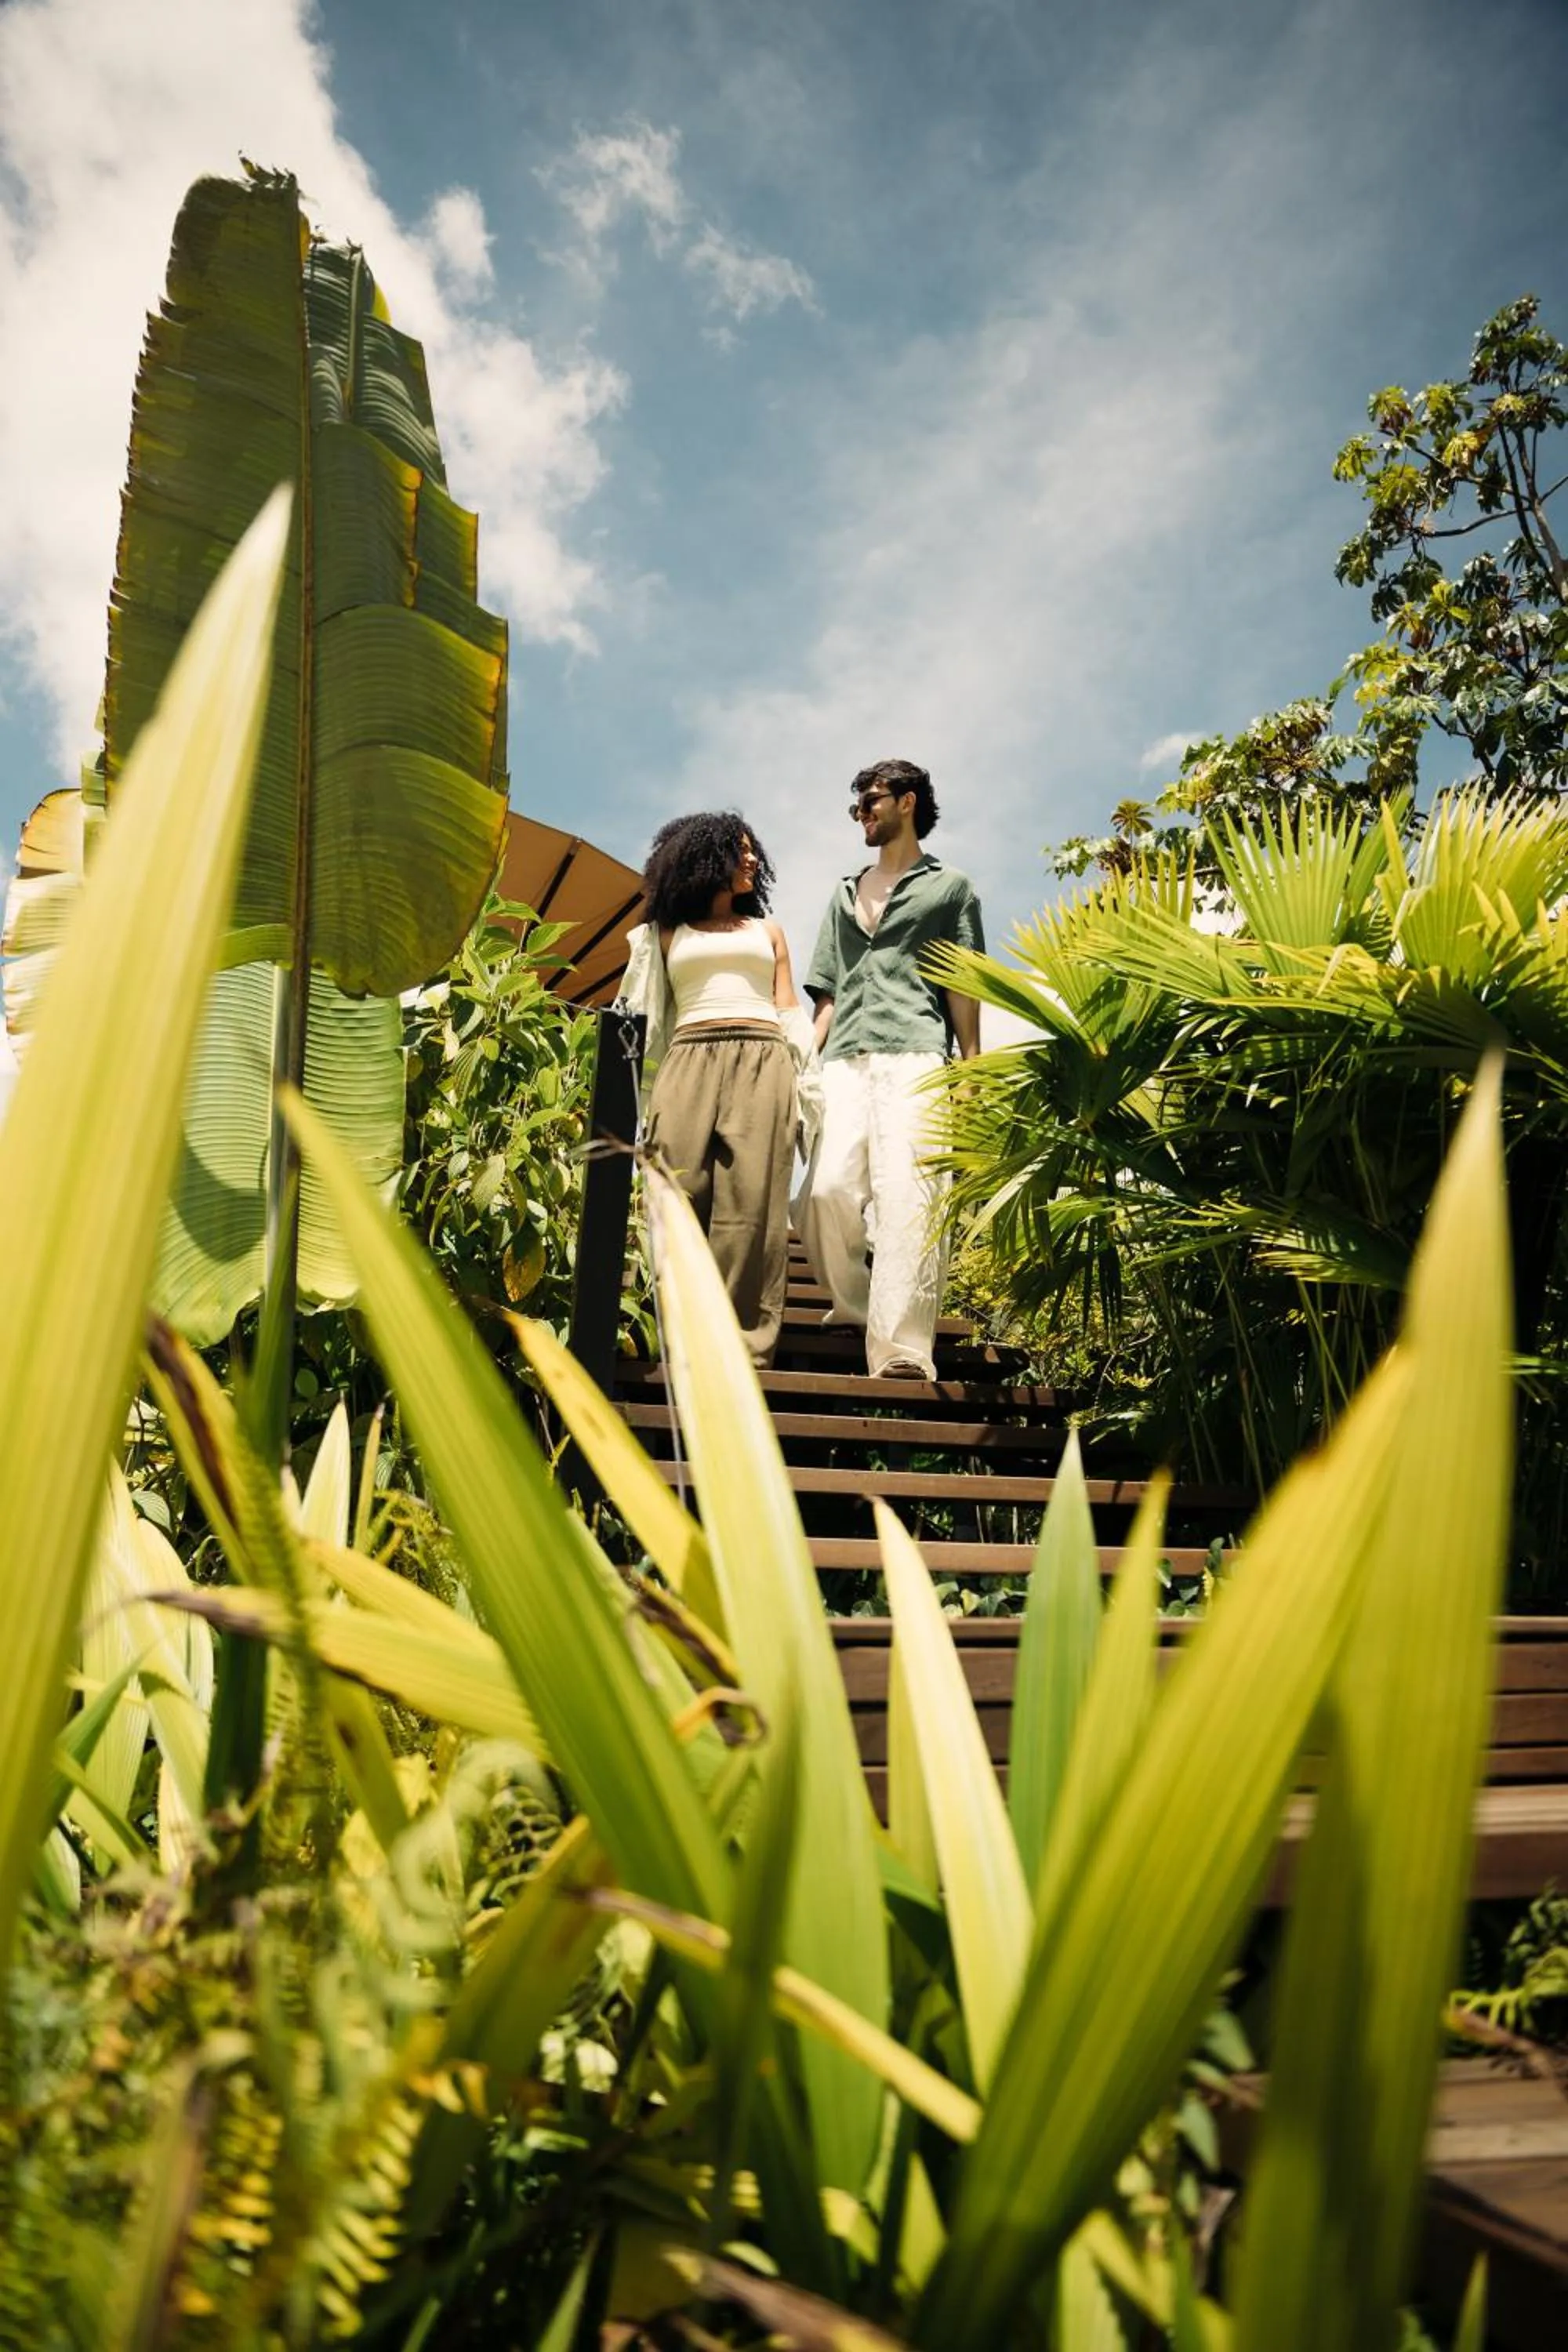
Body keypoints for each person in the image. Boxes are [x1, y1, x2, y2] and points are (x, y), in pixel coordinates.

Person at [798, 758, 984, 1380]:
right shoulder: (843, 893)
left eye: (870, 803)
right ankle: (855, 1308)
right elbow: (825, 992)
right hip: (844, 1056)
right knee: (824, 1194)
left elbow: (962, 982)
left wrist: (971, 1068)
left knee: (909, 1196)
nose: (862, 816)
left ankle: (903, 1350)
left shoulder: (950, 888)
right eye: (856, 807)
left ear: (907, 803)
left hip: (917, 1052)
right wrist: (802, 1052)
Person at [618, 811, 821, 1369]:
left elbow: (788, 1010)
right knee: (672, 1191)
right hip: (688, 1058)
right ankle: (669, 1333)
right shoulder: (663, 934)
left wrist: (809, 1082)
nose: (753, 859)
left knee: (751, 1205)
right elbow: (641, 1012)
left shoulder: (768, 932)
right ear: (706, 859)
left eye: (755, 851)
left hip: (762, 1057)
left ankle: (742, 1349)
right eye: (741, 850)